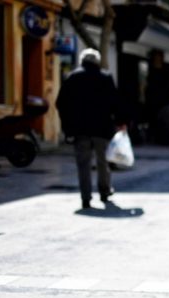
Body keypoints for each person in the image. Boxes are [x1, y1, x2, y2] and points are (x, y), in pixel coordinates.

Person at [56, 48, 124, 209]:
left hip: (80, 130)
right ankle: (104, 191)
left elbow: (61, 103)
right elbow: (115, 102)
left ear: (82, 61)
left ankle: (85, 197)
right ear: (97, 61)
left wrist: (67, 126)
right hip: (102, 128)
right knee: (103, 161)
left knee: (83, 164)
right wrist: (119, 121)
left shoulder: (73, 77)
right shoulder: (105, 77)